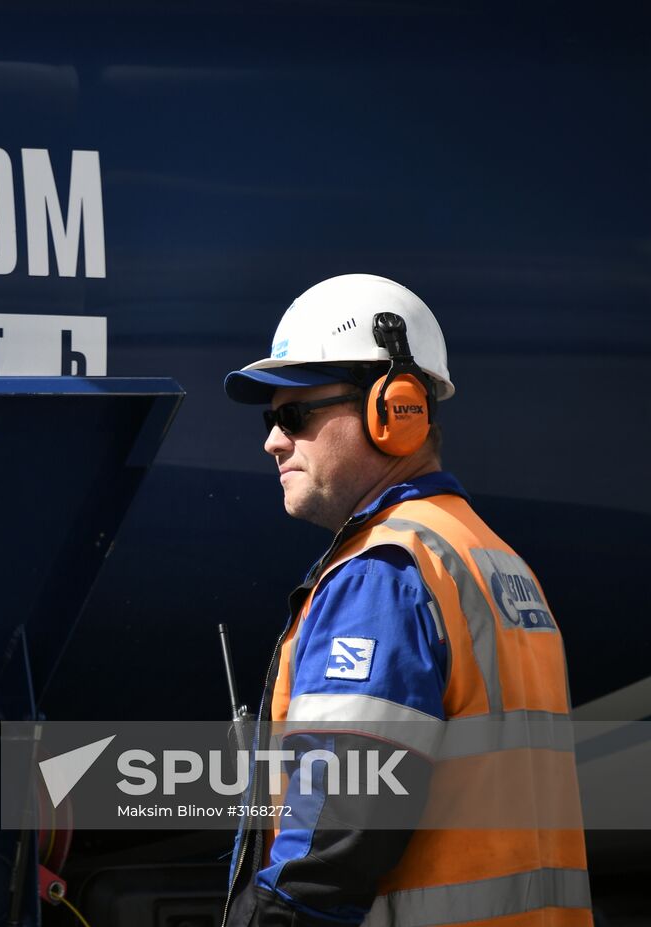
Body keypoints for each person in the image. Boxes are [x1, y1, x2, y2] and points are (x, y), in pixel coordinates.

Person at [219, 274, 590, 926]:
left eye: (293, 414)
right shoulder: (491, 559)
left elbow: (331, 845)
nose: (272, 440)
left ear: (397, 408)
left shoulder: (382, 576)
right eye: (269, 419)